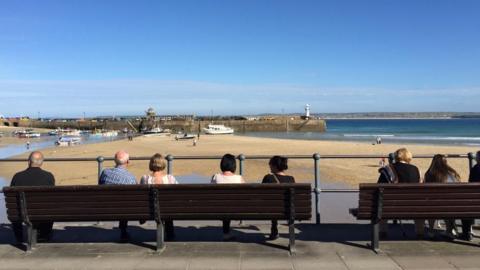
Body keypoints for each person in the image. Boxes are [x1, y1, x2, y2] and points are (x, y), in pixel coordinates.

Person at [377, 148, 424, 238]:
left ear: (396, 157)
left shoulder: (388, 169)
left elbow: (379, 186)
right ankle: (420, 232)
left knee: (381, 203)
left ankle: (382, 231)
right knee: (419, 204)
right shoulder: (416, 169)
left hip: (393, 206)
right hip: (414, 206)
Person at [10, 151, 55, 243]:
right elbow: (51, 197)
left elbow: (12, 197)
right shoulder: (48, 176)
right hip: (43, 212)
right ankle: (43, 236)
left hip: (22, 213)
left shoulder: (17, 176)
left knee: (15, 211)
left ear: (28, 161)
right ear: (41, 162)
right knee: (49, 207)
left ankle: (19, 238)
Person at [98, 150, 136, 241]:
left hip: (105, 208)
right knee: (125, 203)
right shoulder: (131, 178)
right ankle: (123, 231)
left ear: (115, 161)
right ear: (128, 162)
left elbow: (99, 186)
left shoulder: (105, 173)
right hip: (124, 209)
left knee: (123, 202)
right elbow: (134, 196)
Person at [139, 153, 177, 239]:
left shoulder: (144, 178)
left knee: (159, 205)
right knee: (166, 206)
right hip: (168, 210)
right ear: (163, 164)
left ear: (151, 164)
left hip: (149, 209)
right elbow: (177, 194)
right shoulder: (170, 178)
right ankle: (170, 234)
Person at [424, 154, 460, 238]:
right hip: (453, 204)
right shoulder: (452, 173)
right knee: (448, 204)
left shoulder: (429, 173)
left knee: (431, 205)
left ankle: (431, 231)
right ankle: (449, 230)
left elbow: (427, 191)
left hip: (435, 204)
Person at [211, 154, 245, 240]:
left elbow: (211, 194)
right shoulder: (239, 178)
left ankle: (226, 233)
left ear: (222, 165)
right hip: (236, 210)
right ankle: (227, 233)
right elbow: (246, 194)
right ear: (234, 165)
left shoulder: (215, 177)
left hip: (219, 209)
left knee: (224, 204)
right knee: (229, 204)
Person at [262, 155, 295, 240]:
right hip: (287, 210)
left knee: (273, 203)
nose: (269, 166)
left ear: (275, 166)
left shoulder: (268, 178)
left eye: (270, 164)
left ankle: (274, 230)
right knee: (278, 203)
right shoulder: (291, 179)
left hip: (270, 209)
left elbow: (261, 194)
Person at [461, 151, 480, 240]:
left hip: (475, 202)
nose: (475, 158)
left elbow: (470, 184)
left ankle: (467, 233)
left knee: (465, 208)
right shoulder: (475, 168)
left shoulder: (475, 168)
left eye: (476, 157)